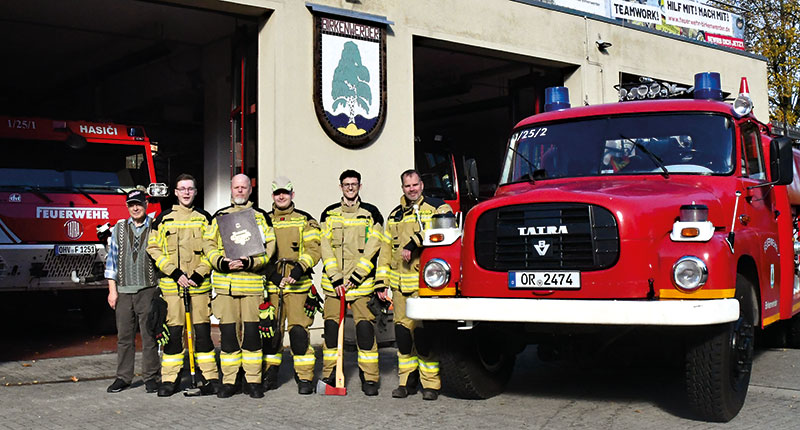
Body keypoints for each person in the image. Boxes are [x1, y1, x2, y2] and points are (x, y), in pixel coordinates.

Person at [376, 169, 453, 401]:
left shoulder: (438, 207)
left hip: (425, 289)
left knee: (424, 337)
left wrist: (415, 242)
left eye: (415, 185)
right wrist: (382, 282)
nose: (412, 189)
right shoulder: (394, 216)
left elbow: (445, 230)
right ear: (403, 188)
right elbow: (385, 252)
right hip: (400, 290)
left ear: (422, 184)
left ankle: (431, 384)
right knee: (403, 337)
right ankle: (406, 381)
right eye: (407, 186)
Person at [147, 174, 218, 397]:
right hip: (172, 289)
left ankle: (210, 377)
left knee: (202, 333)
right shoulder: (163, 218)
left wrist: (200, 273)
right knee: (174, 334)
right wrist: (174, 272)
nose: (186, 192)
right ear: (175, 192)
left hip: (198, 287)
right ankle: (170, 378)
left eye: (190, 188)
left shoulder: (205, 218)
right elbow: (153, 249)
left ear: (196, 192)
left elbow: (214, 249)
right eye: (182, 189)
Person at [205, 174, 276, 398]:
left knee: (252, 336)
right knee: (228, 336)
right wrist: (221, 262)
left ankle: (253, 381)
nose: (240, 191)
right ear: (231, 190)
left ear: (250, 190)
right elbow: (208, 245)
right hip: (226, 288)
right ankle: (229, 380)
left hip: (252, 287)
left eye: (244, 187)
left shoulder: (260, 217)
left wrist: (250, 262)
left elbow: (270, 248)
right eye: (236, 187)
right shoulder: (219, 217)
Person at [319, 169, 384, 396]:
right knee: (330, 332)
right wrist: (335, 277)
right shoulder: (328, 213)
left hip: (361, 285)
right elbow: (325, 248)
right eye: (346, 184)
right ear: (340, 187)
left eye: (354, 184)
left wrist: (356, 277)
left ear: (359, 186)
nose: (350, 188)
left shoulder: (371, 213)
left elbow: (373, 248)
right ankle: (330, 375)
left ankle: (370, 378)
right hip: (333, 286)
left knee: (365, 332)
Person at [262, 176, 322, 395]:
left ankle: (304, 377)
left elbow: (314, 249)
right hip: (272, 286)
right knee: (272, 333)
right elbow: (258, 251)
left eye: (285, 193)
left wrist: (298, 271)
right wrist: (273, 275)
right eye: (277, 193)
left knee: (298, 333)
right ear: (273, 196)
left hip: (299, 286)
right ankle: (270, 374)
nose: (281, 196)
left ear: (292, 194)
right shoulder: (263, 220)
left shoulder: (306, 220)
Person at [104, 189, 160, 394]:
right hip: (123, 290)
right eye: (131, 204)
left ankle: (151, 377)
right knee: (124, 337)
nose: (135, 208)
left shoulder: (156, 226)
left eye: (138, 203)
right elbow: (111, 261)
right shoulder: (118, 228)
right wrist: (112, 291)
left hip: (148, 289)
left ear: (145, 204)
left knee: (149, 335)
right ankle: (123, 377)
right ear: (127, 207)